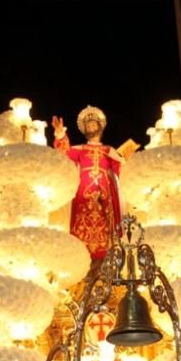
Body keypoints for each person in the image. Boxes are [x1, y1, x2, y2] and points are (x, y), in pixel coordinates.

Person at [53, 106, 124, 260]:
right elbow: (64, 152)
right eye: (88, 125)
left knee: (106, 220)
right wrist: (60, 134)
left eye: (93, 124)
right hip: (84, 190)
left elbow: (120, 169)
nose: (91, 126)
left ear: (100, 127)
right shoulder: (80, 150)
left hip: (105, 191)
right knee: (82, 218)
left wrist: (126, 160)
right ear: (85, 129)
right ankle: (81, 254)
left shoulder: (108, 150)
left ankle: (106, 255)